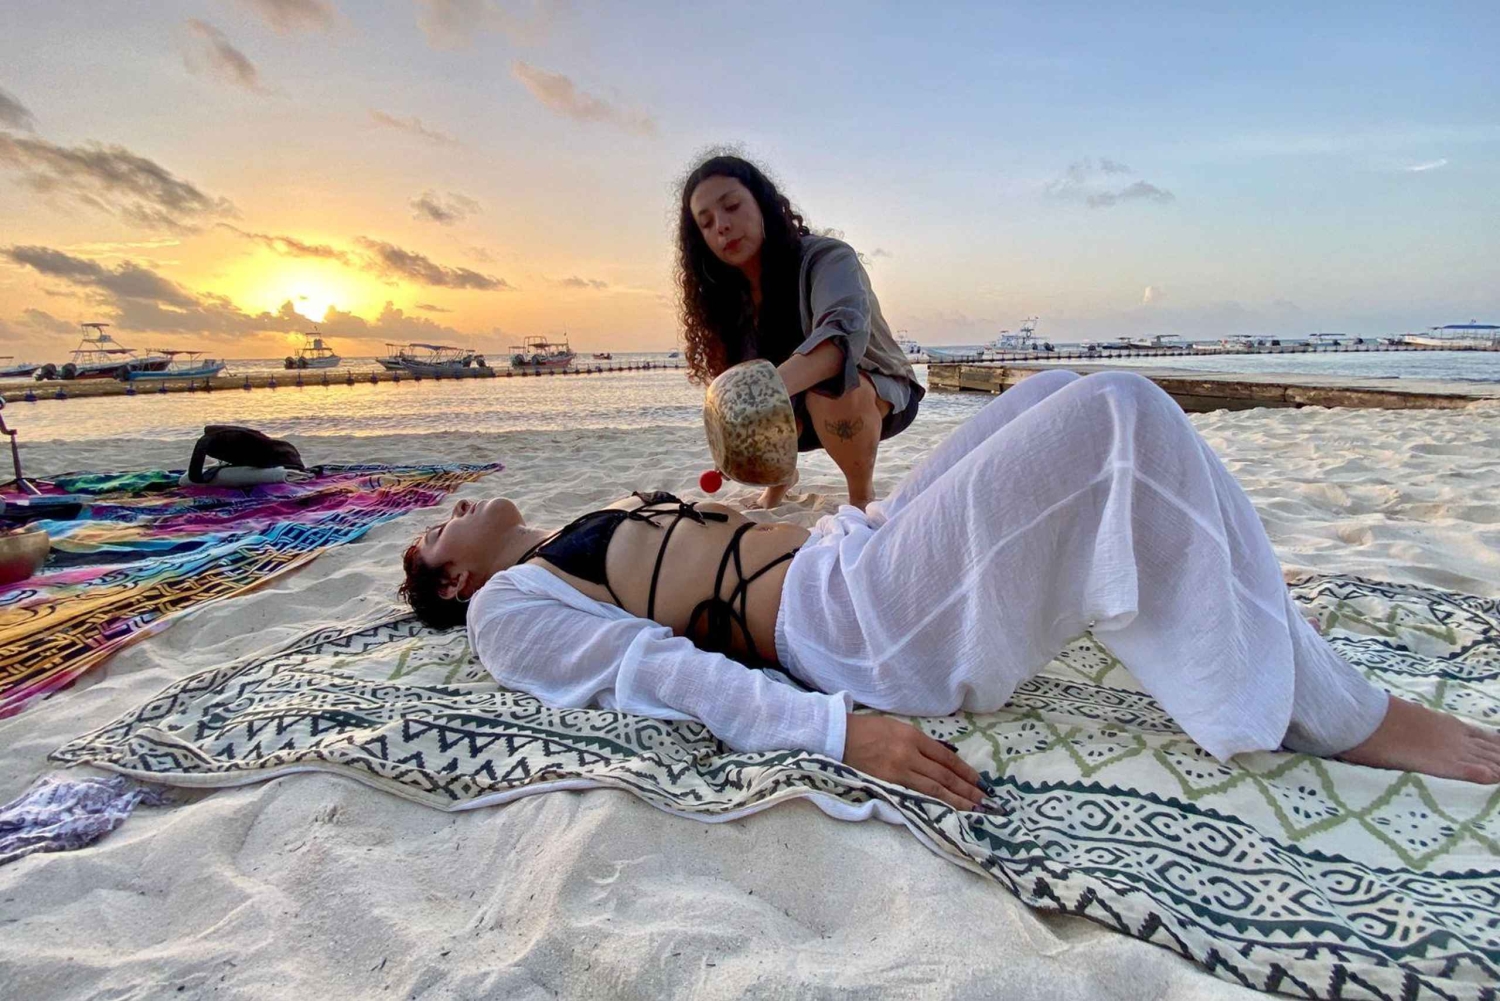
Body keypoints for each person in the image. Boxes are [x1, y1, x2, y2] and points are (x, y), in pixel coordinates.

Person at [399, 371, 1500, 810]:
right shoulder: (508, 605)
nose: (448, 508)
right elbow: (655, 669)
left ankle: (1268, 641)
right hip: (858, 632)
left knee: (1062, 388)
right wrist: (840, 732)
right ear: (453, 575)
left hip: (859, 560)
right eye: (438, 527)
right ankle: (1348, 714)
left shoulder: (569, 534)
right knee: (1118, 418)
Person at [678, 154, 922, 511]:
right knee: (748, 391)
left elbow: (840, 339)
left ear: (761, 205)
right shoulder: (726, 299)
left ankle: (861, 496)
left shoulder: (828, 258)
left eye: (731, 206)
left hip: (875, 391)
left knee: (831, 388)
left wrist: (754, 398)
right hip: (796, 410)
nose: (722, 226)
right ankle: (779, 484)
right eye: (707, 222)